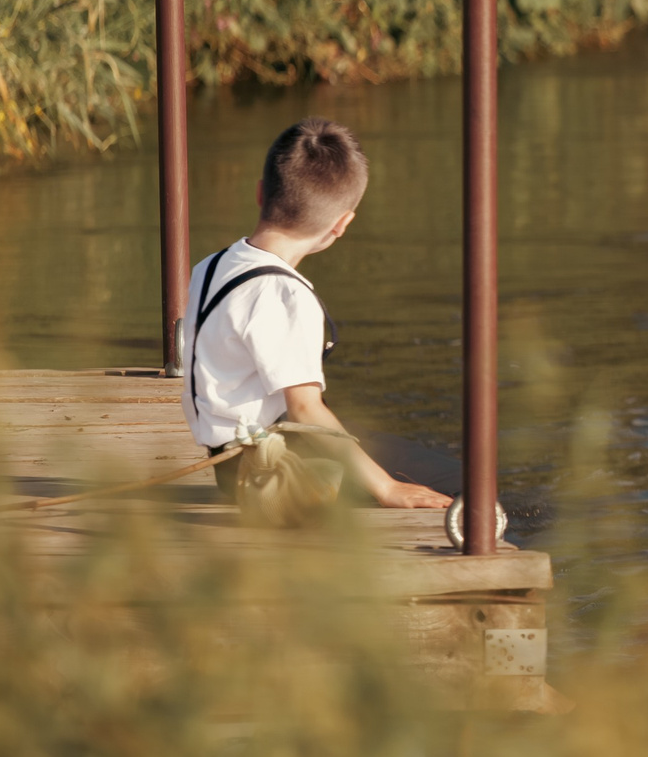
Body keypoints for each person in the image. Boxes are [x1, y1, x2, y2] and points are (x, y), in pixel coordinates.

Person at [180, 118, 452, 510]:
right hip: (278, 472)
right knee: (459, 482)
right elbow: (305, 408)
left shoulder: (212, 265)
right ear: (342, 225)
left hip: (233, 463)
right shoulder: (285, 293)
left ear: (260, 193)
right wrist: (387, 488)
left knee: (395, 450)